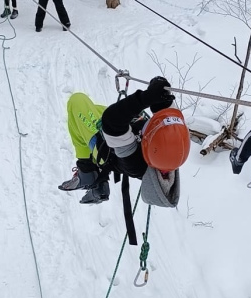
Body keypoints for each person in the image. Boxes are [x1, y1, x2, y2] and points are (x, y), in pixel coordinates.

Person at [59, 76, 190, 209]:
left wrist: (145, 98)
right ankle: (88, 174)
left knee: (77, 102)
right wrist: (162, 96)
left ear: (148, 146)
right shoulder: (173, 150)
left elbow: (111, 121)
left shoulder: (135, 163)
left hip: (104, 144)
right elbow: (169, 116)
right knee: (94, 109)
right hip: (126, 125)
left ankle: (87, 170)